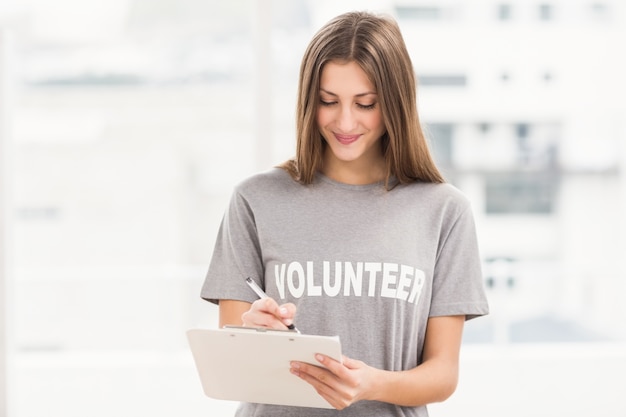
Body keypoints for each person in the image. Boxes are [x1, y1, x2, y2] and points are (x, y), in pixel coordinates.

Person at [200, 10, 489, 417]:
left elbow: (442, 375)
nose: (346, 121)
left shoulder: (444, 211)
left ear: (394, 103)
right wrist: (253, 329)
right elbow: (232, 358)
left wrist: (372, 383)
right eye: (328, 101)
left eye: (366, 103)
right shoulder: (255, 200)